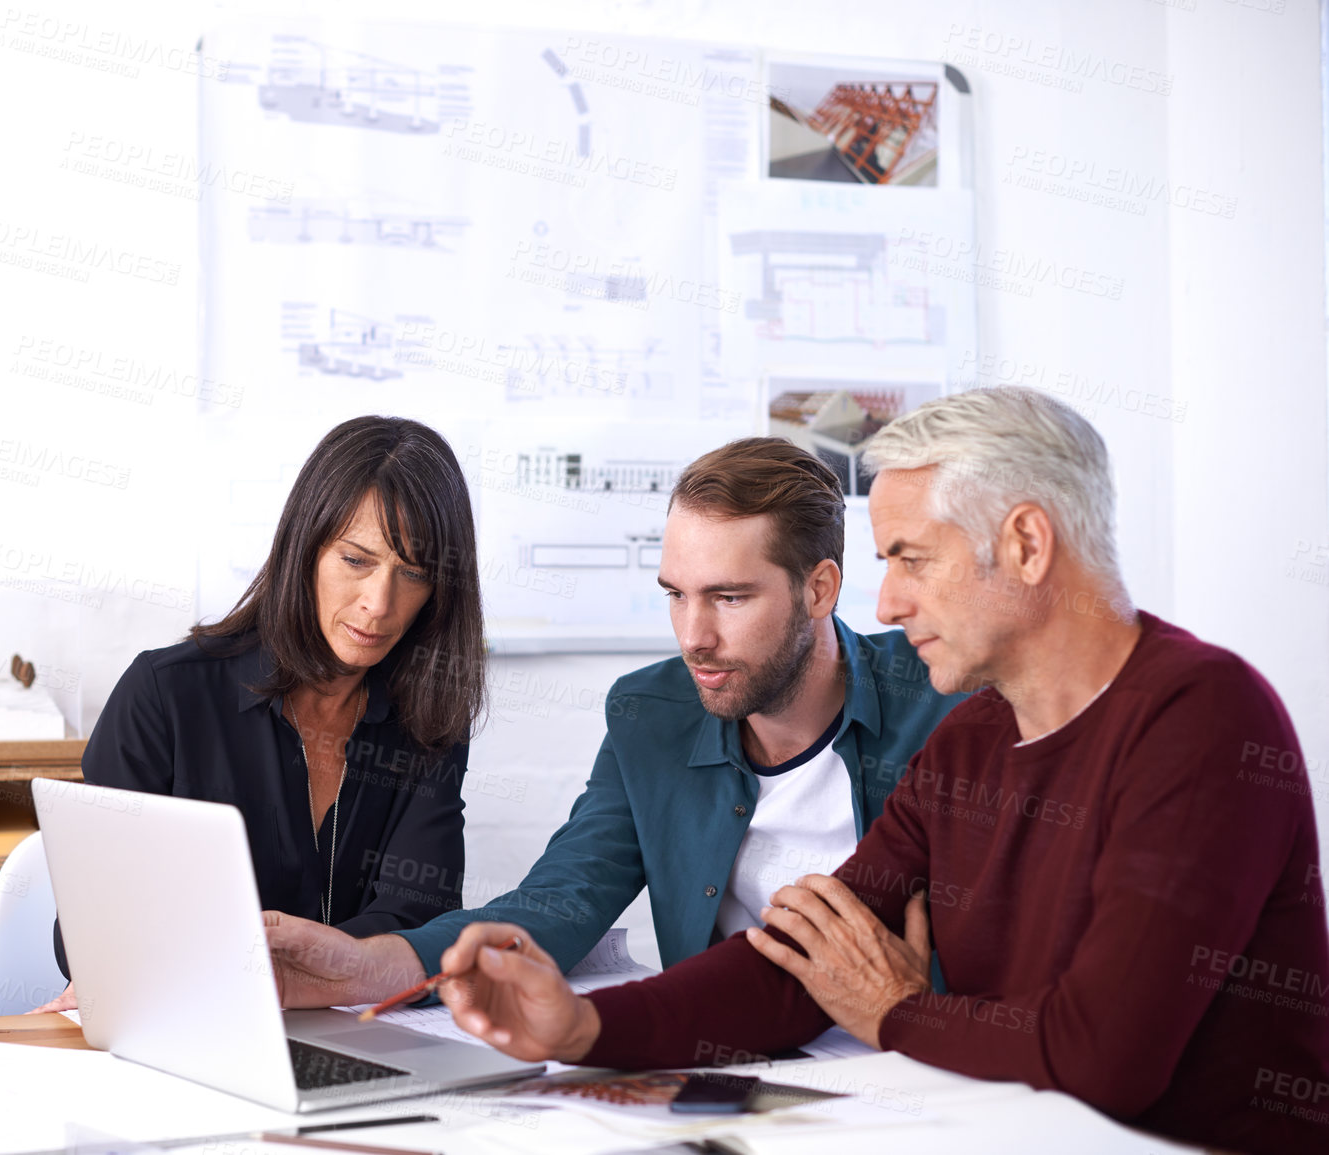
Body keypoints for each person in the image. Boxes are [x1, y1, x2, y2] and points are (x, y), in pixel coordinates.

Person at [432, 388, 1329, 1155]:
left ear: (1024, 543)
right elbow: (797, 962)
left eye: (912, 559)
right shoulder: (975, 736)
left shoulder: (1202, 717)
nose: (889, 602)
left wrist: (894, 1010)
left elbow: (1104, 1056)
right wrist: (585, 1026)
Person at [266, 437, 964, 1009]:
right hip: (736, 1065)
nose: (693, 636)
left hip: (913, 1065)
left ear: (819, 588)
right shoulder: (651, 713)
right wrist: (357, 966)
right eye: (676, 595)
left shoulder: (943, 697)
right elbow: (557, 900)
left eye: (728, 597)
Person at [30, 415, 486, 1014]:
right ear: (306, 548)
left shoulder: (430, 721)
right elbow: (95, 932)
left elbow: (419, 921)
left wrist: (249, 961)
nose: (379, 604)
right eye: (355, 560)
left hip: (351, 1035)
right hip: (186, 1020)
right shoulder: (166, 695)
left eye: (414, 574)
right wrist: (338, 965)